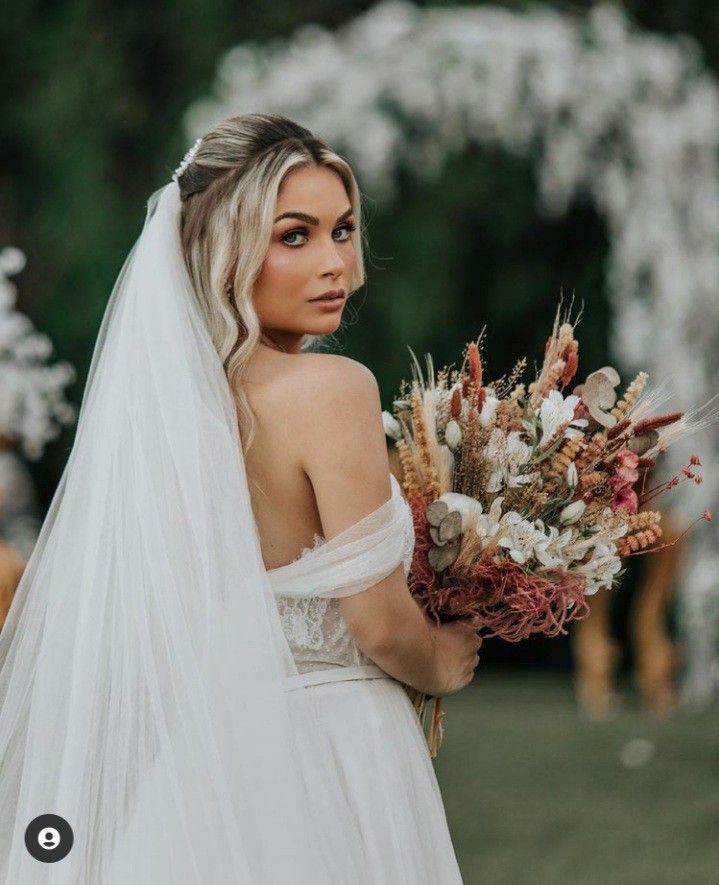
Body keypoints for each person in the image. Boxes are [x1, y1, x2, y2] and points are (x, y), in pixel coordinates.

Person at [0, 113, 481, 883]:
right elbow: (377, 621)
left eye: (343, 229)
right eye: (294, 234)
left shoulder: (160, 412)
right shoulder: (331, 390)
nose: (335, 262)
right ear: (226, 248)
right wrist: (443, 660)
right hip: (333, 750)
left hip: (204, 766)